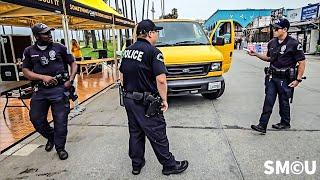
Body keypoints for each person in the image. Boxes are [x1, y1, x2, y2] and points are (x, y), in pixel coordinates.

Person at [119, 19, 188, 175]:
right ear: (150, 33)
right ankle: (169, 165)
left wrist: (127, 91)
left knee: (135, 132)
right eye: (156, 32)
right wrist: (164, 100)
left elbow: (122, 74)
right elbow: (161, 79)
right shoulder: (153, 52)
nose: (157, 35)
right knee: (157, 131)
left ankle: (136, 164)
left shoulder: (128, 50)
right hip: (146, 102)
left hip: (129, 99)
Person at [22, 23, 77, 160]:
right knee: (36, 119)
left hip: (59, 89)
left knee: (60, 121)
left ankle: (60, 148)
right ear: (36, 36)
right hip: (40, 90)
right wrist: (42, 77)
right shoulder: (29, 51)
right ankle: (51, 137)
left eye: (49, 32)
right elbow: (26, 71)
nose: (49, 35)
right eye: (45, 33)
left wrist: (70, 79)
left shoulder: (60, 47)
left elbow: (73, 63)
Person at [248, 19, 306, 134]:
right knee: (268, 100)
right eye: (273, 28)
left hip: (285, 78)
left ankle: (285, 122)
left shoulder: (294, 44)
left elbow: (302, 62)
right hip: (272, 77)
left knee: (284, 101)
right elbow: (269, 58)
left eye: (276, 29)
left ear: (285, 29)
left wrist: (298, 79)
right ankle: (262, 125)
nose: (274, 30)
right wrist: (256, 54)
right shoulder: (272, 43)